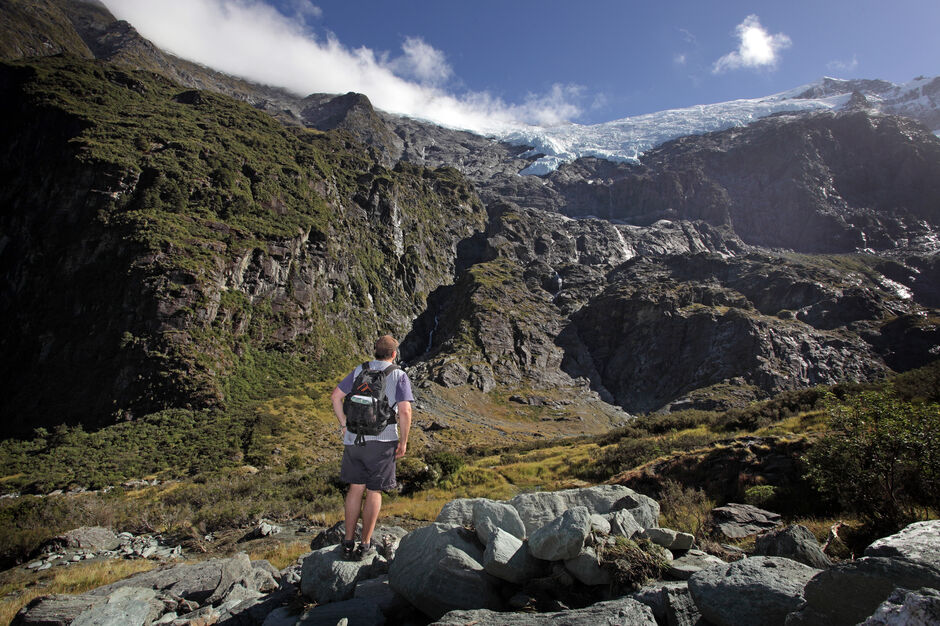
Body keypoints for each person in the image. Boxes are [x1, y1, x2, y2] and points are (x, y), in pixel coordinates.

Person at [330, 334, 413, 560]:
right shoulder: (398, 375)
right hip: (382, 441)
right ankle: (365, 543)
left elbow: (336, 396)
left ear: (374, 351)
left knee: (355, 488)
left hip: (354, 439)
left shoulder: (359, 370)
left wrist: (344, 424)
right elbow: (405, 411)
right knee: (374, 490)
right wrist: (403, 441)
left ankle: (347, 542)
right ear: (394, 354)